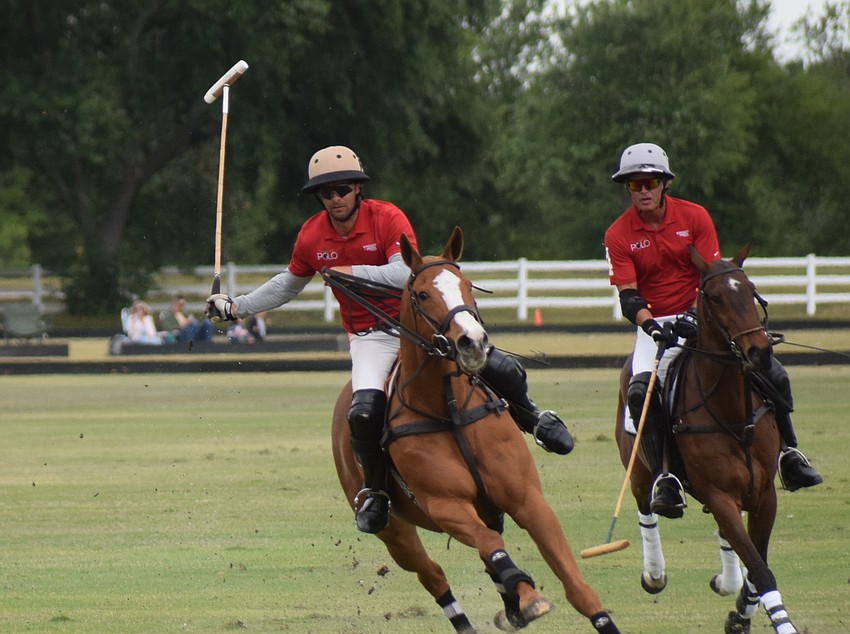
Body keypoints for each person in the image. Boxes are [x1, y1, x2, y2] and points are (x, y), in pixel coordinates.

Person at [206, 145, 574, 534]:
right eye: (327, 193)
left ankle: (534, 419)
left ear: (357, 189)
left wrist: (348, 269)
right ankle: (377, 492)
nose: (336, 199)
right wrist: (236, 307)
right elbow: (288, 284)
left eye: (343, 189)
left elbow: (405, 275)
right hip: (370, 337)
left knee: (497, 365)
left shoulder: (386, 218)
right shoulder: (312, 235)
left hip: (416, 326)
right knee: (363, 413)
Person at [604, 142, 822, 518]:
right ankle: (665, 478)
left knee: (772, 371)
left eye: (650, 182)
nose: (643, 191)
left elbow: (713, 276)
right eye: (634, 184)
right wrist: (653, 328)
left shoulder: (695, 217)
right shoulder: (618, 234)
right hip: (654, 326)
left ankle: (789, 452)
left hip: (705, 315)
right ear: (628, 188)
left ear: (663, 184)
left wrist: (693, 315)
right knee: (641, 393)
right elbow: (628, 297)